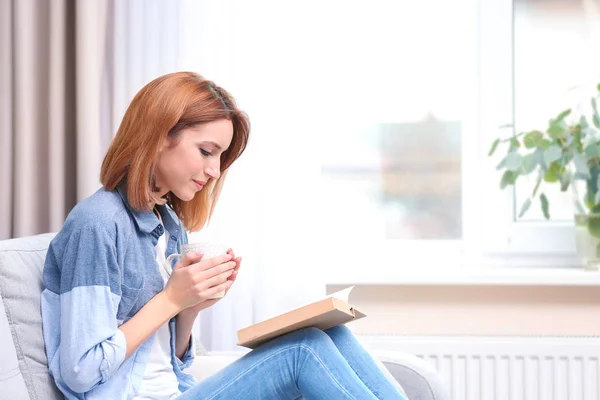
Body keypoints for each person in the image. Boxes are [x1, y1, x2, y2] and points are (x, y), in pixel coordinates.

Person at [41, 72, 406, 400]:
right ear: (158, 136)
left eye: (220, 158)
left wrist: (190, 307)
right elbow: (81, 371)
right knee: (304, 350)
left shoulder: (167, 223)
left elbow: (172, 366)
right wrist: (171, 300)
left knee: (334, 335)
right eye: (206, 152)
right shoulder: (98, 223)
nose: (214, 171)